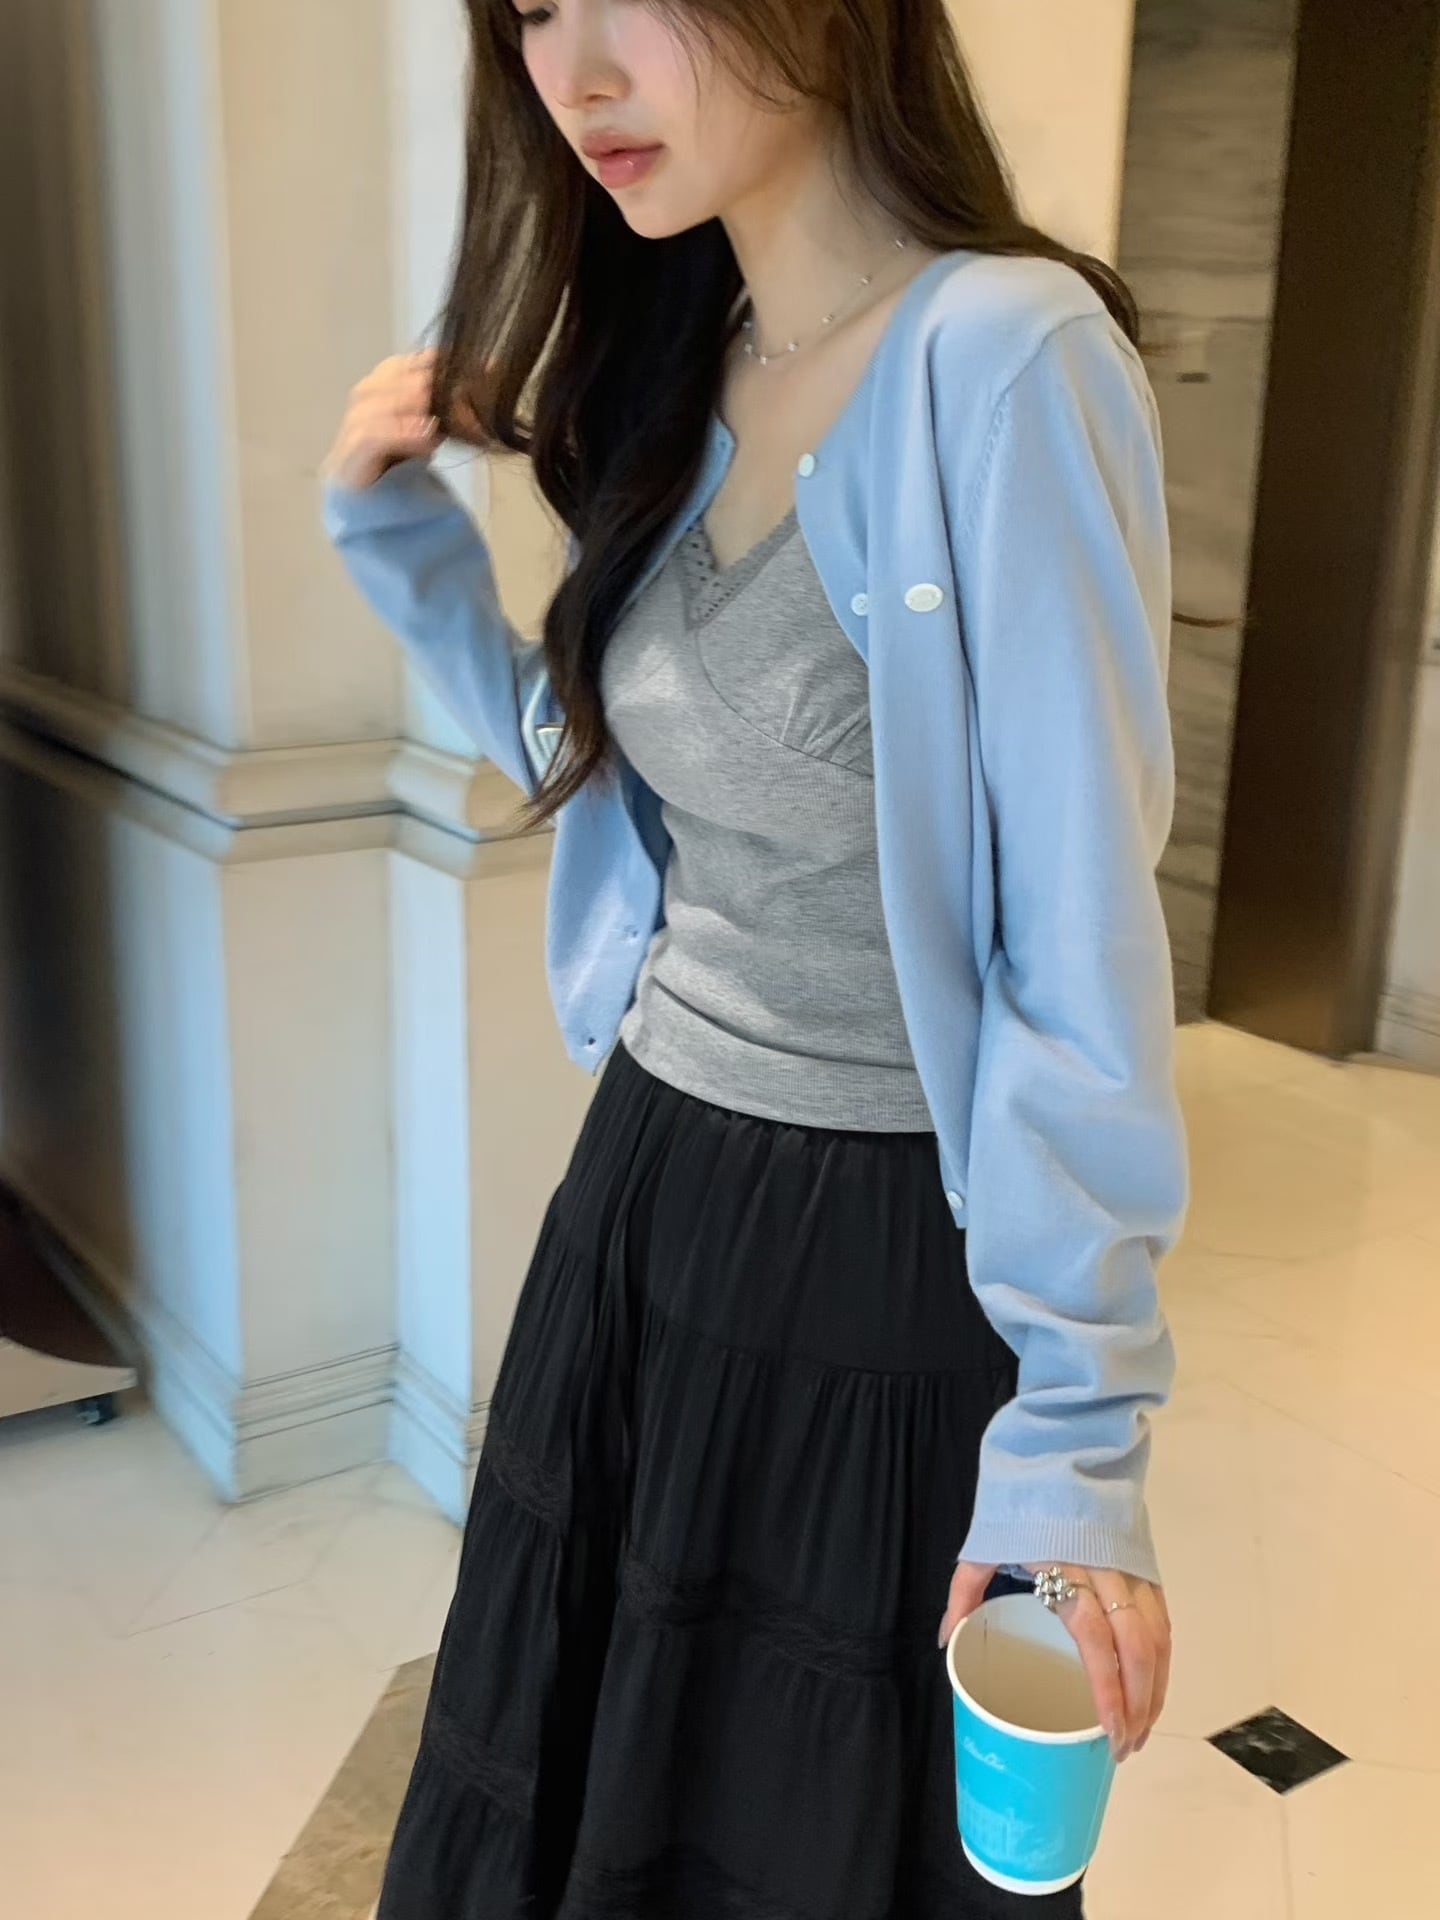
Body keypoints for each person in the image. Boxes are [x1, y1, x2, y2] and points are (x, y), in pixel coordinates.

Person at [322, 3, 1189, 1914]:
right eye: (531, 11)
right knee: (580, 1778)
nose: (572, 76)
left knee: (798, 1835)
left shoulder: (1007, 358)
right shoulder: (687, 356)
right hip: (645, 1192)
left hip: (881, 1261)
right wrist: (407, 554)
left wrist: (1077, 1434)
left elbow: (1080, 937)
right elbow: (636, 784)